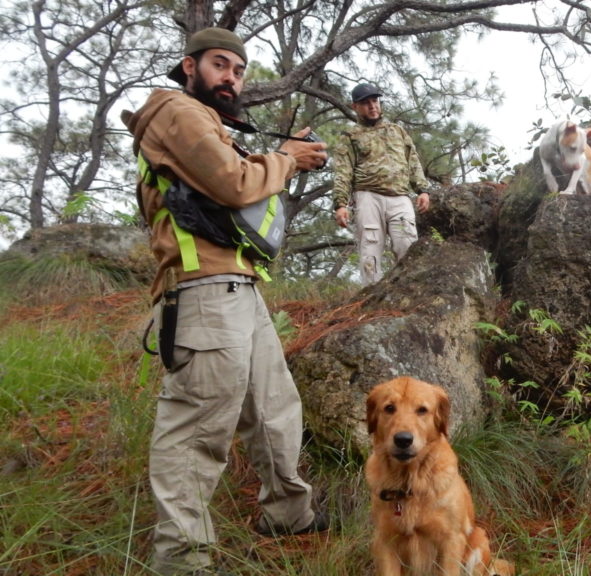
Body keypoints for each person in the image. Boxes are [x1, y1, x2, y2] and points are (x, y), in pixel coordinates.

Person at [123, 27, 329, 575]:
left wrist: (279, 157)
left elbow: (232, 182)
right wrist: (284, 158)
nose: (230, 77)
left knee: (274, 408)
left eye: (238, 71)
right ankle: (182, 561)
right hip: (203, 291)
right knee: (197, 431)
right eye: (219, 65)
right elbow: (235, 184)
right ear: (189, 67)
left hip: (240, 289)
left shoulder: (210, 124)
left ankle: (289, 514)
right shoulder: (174, 111)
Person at [331, 82, 431, 285]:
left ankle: (409, 291)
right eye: (365, 103)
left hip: (400, 196)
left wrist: (422, 190)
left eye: (375, 101)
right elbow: (343, 171)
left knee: (407, 243)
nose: (372, 106)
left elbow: (413, 161)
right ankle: (371, 297)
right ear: (355, 106)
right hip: (368, 196)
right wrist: (340, 204)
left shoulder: (397, 131)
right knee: (370, 248)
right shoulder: (350, 136)